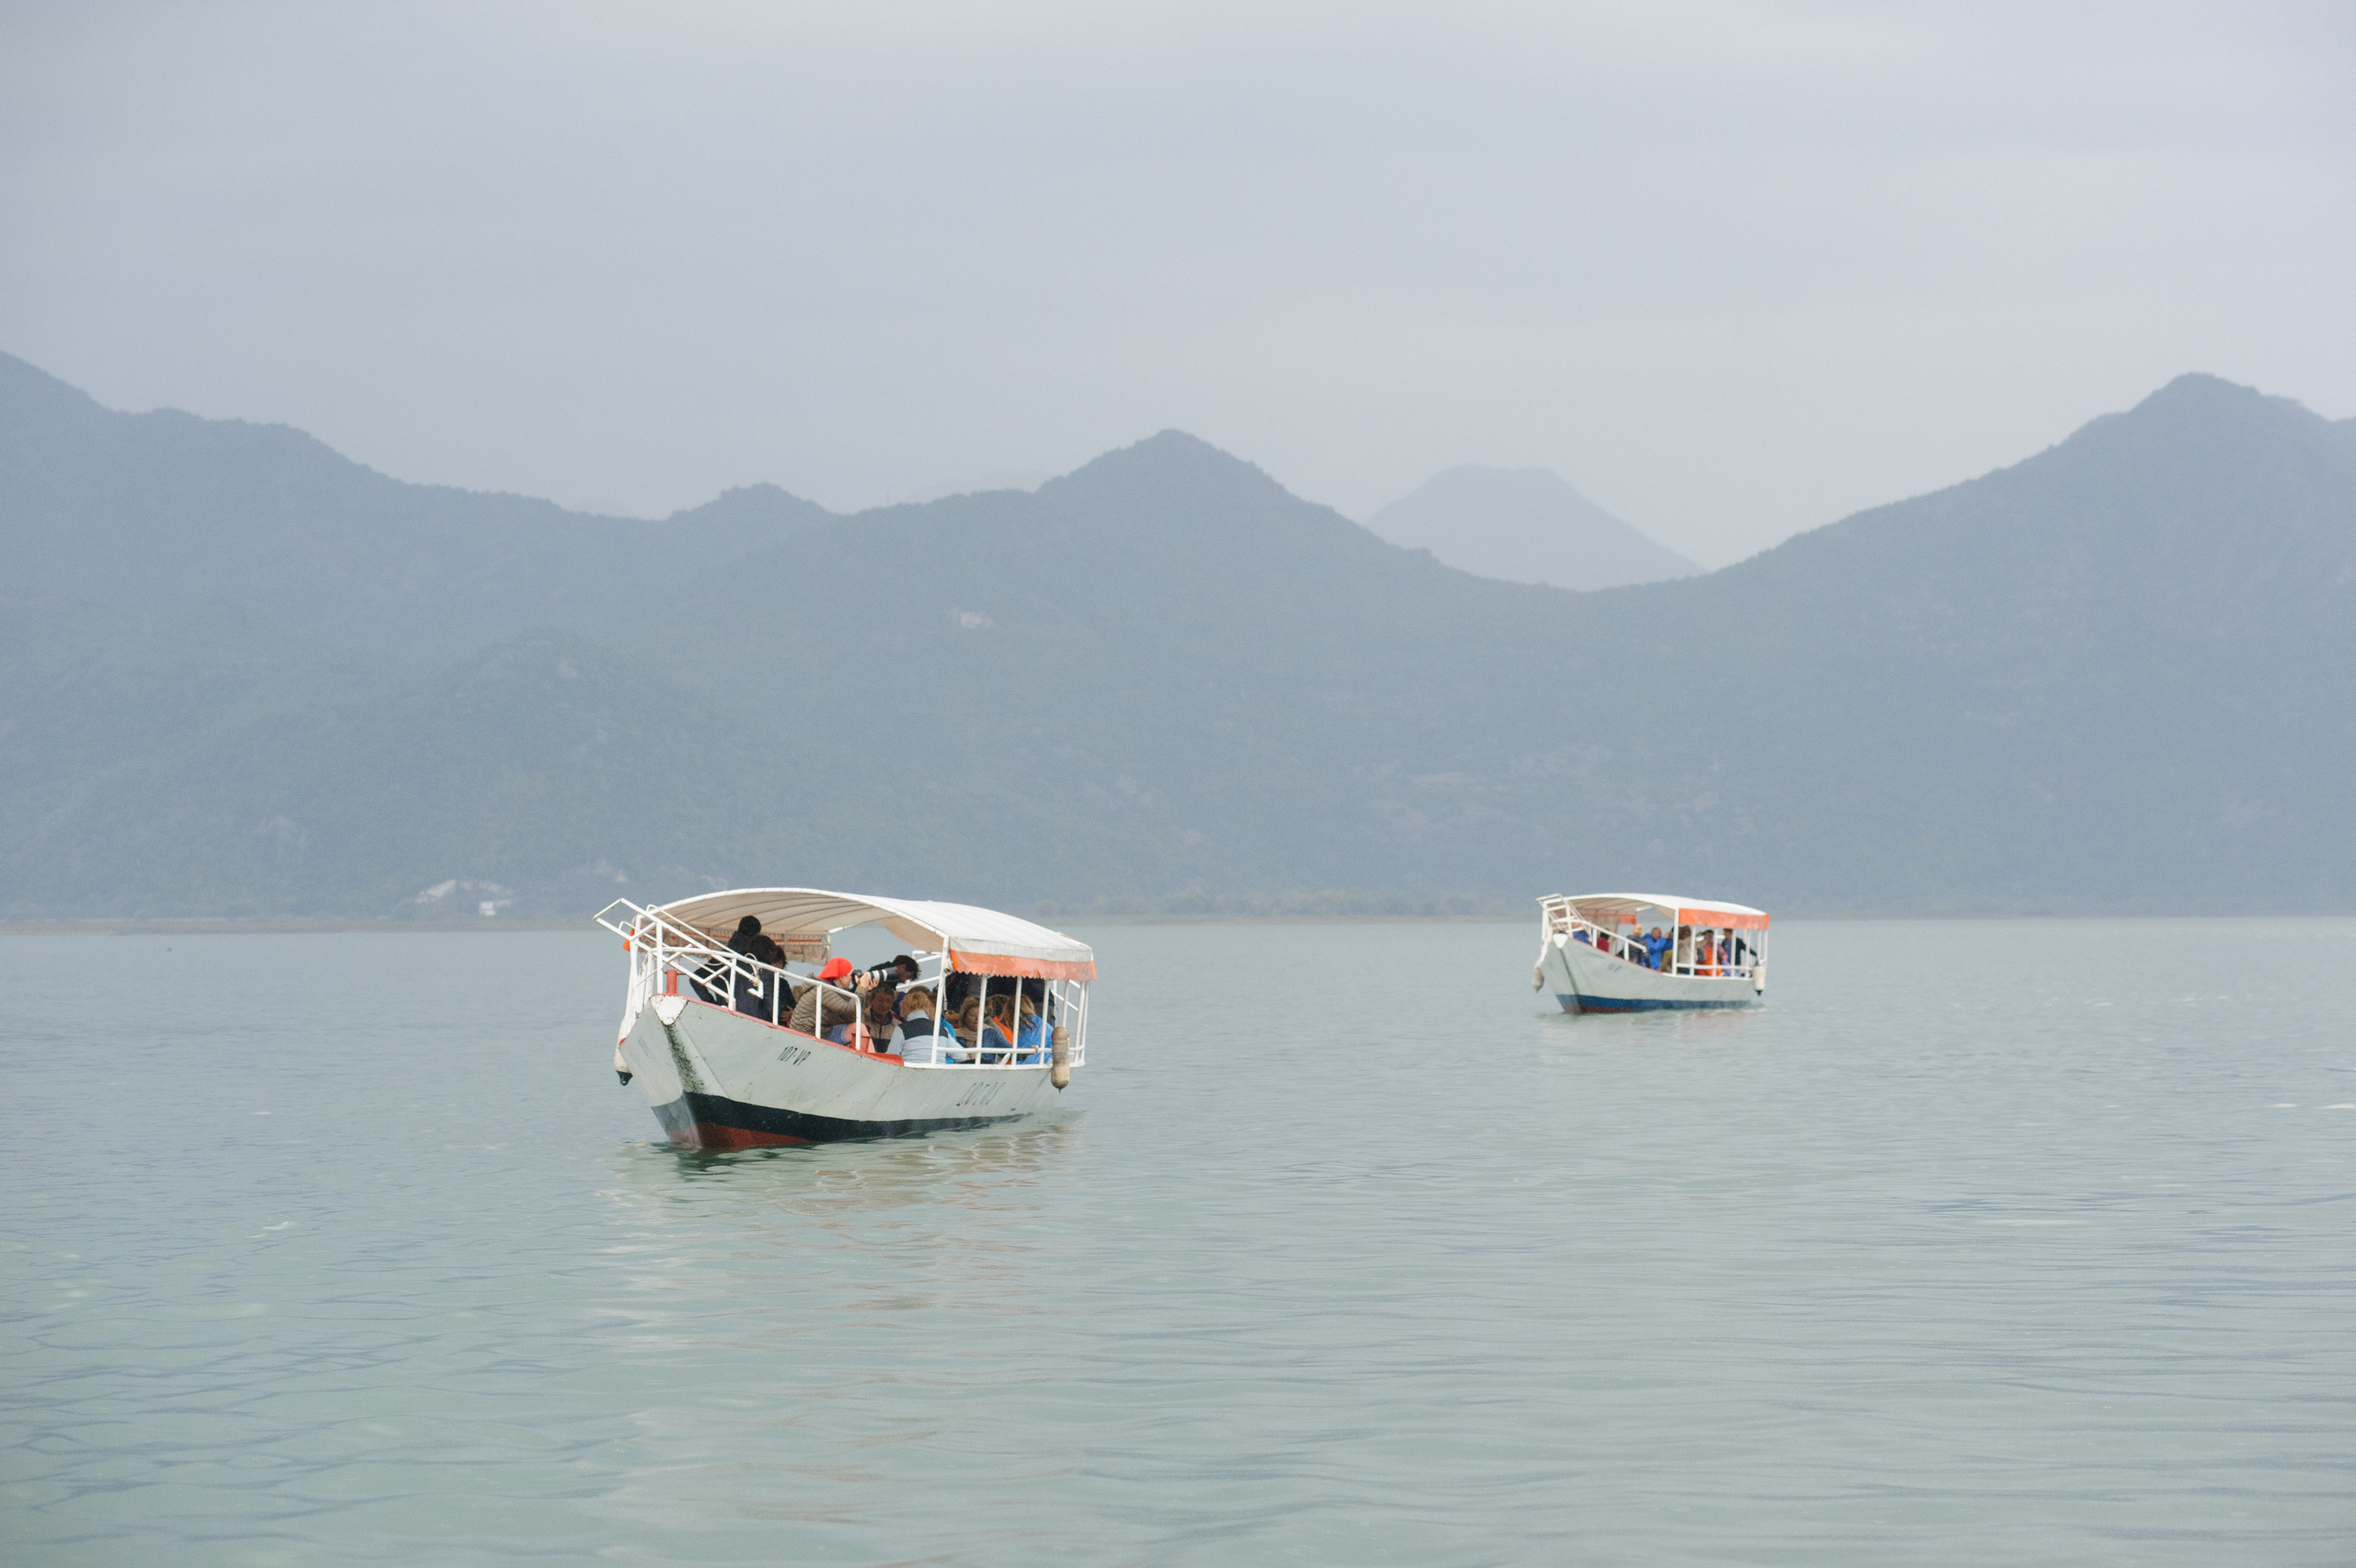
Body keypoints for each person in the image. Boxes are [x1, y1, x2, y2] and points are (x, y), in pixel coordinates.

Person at [791, 956, 861, 1039]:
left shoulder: (832, 989)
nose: (851, 978)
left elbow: (852, 1016)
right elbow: (848, 1008)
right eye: (850, 975)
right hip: (806, 1036)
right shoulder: (823, 990)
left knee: (855, 1029)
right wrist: (861, 988)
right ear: (842, 977)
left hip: (818, 1034)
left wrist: (860, 988)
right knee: (859, 1028)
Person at [892, 986, 946, 1063]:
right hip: (938, 1073)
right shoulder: (942, 1030)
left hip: (909, 1073)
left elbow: (891, 1056)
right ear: (927, 1007)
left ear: (903, 1007)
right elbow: (961, 1056)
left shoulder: (901, 1029)